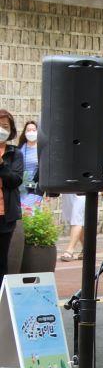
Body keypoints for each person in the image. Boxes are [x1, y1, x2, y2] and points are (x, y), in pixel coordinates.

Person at [0, 109, 23, 285]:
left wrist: (1, 165)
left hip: (4, 215)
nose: (1, 129)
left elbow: (15, 180)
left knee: (1, 260)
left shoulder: (15, 154)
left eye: (5, 126)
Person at [18, 120, 42, 212]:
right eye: (28, 130)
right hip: (20, 188)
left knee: (30, 215)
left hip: (34, 190)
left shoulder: (41, 149)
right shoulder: (20, 148)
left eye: (34, 130)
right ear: (25, 132)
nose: (31, 132)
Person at [59, 193, 85, 261]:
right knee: (75, 219)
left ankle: (70, 250)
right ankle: (87, 248)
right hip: (68, 190)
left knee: (76, 218)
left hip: (83, 190)